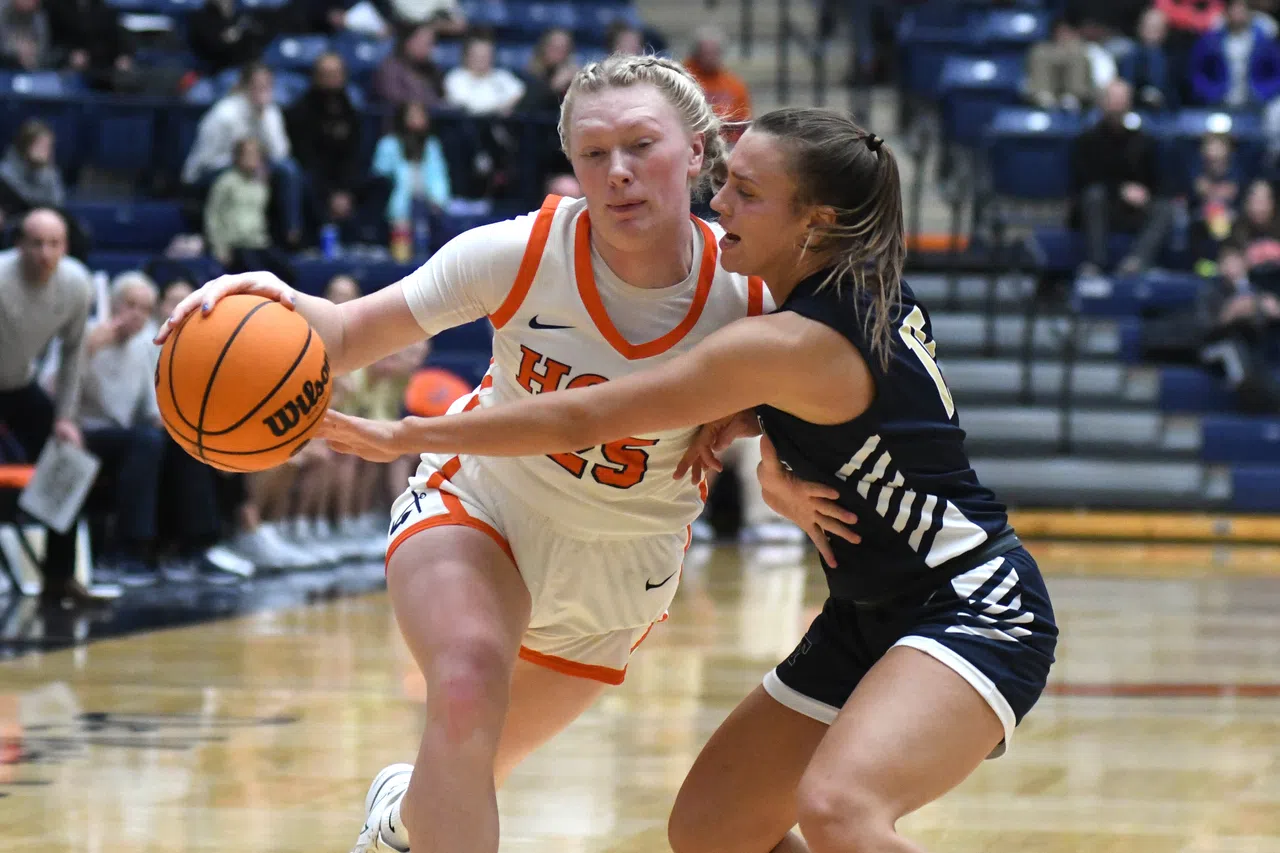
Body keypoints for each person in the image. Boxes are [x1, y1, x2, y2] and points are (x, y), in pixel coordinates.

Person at [316, 108, 1060, 853]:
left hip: (973, 602)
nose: (720, 203)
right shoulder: (854, 293)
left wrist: (406, 435)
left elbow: (585, 418)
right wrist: (765, 442)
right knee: (712, 830)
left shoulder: (786, 341)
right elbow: (841, 411)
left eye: (748, 193)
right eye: (726, 182)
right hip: (866, 614)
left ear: (817, 221)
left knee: (840, 808)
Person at [156, 54, 789, 853]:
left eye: (640, 145)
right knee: (463, 691)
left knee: (464, 774)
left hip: (621, 569)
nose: (618, 172)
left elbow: (814, 400)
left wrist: (751, 427)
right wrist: (264, 295)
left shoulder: (755, 291)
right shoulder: (519, 253)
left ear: (695, 150)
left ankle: (398, 816)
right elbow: (348, 333)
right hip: (483, 507)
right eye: (594, 153)